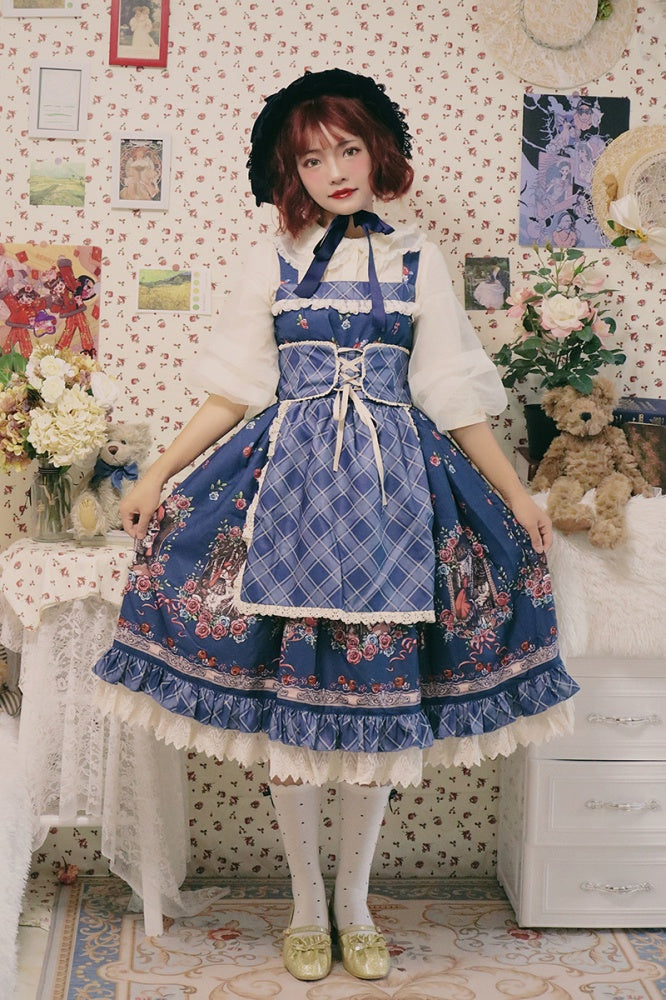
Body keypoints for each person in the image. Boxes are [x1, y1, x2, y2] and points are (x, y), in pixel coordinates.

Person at [93, 69, 578, 982]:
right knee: (293, 720)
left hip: (396, 504)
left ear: (377, 151)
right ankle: (307, 903)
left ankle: (354, 900)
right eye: (312, 158)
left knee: (376, 725)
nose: (333, 171)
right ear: (293, 171)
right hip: (288, 499)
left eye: (347, 149)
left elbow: (451, 394)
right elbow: (236, 389)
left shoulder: (417, 258)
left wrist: (516, 494)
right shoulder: (269, 259)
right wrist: (159, 472)